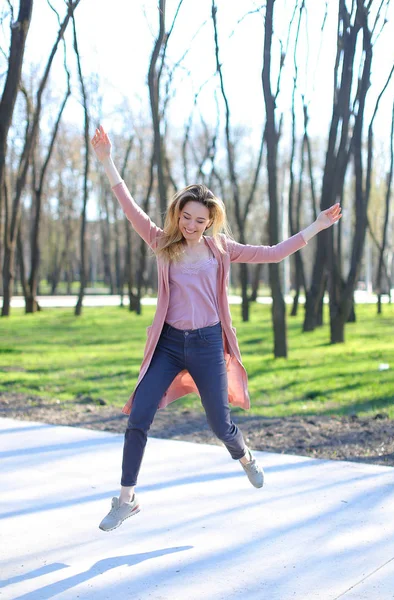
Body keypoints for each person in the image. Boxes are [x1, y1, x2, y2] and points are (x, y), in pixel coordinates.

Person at [91, 125, 341, 532]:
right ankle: (126, 499)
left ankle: (244, 455)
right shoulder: (161, 242)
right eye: (186, 216)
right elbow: (129, 206)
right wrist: (107, 161)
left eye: (199, 219)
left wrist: (315, 226)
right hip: (169, 345)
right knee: (138, 414)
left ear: (211, 221)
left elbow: (274, 254)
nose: (191, 224)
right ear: (178, 215)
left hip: (208, 345)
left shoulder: (221, 249)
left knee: (219, 424)